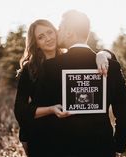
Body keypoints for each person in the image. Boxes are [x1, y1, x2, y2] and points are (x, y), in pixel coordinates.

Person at [33, 10, 126, 157]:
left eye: (60, 29)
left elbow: (41, 115)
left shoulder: (50, 67)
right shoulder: (111, 66)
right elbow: (124, 113)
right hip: (102, 149)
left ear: (69, 33)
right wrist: (117, 147)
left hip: (61, 149)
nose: (57, 32)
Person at [14, 19, 114, 156]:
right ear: (35, 43)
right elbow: (20, 110)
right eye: (41, 37)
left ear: (56, 32)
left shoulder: (70, 61)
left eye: (50, 32)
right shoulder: (30, 69)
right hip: (41, 134)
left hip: (68, 136)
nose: (48, 38)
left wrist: (103, 54)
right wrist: (51, 109)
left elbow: (91, 54)